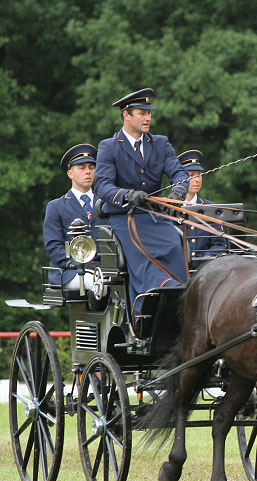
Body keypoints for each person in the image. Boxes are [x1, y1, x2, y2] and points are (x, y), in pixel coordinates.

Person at [93, 88, 189, 314]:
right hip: (125, 219)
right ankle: (147, 311)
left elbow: (180, 174)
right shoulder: (109, 146)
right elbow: (102, 185)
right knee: (145, 260)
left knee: (175, 250)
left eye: (149, 113)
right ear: (126, 115)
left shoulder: (161, 143)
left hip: (156, 218)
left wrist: (177, 193)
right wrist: (127, 195)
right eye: (142, 113)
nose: (148, 118)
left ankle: (180, 301)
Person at [43, 143, 100, 291]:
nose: (88, 172)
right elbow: (54, 246)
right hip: (70, 271)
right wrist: (78, 263)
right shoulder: (56, 207)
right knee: (96, 283)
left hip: (103, 268)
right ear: (70, 174)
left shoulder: (105, 203)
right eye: (82, 168)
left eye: (91, 167)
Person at [178, 149, 227, 260]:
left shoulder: (210, 208)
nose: (196, 180)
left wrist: (204, 261)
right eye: (191, 175)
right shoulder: (167, 209)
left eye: (199, 175)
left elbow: (219, 245)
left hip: (204, 271)